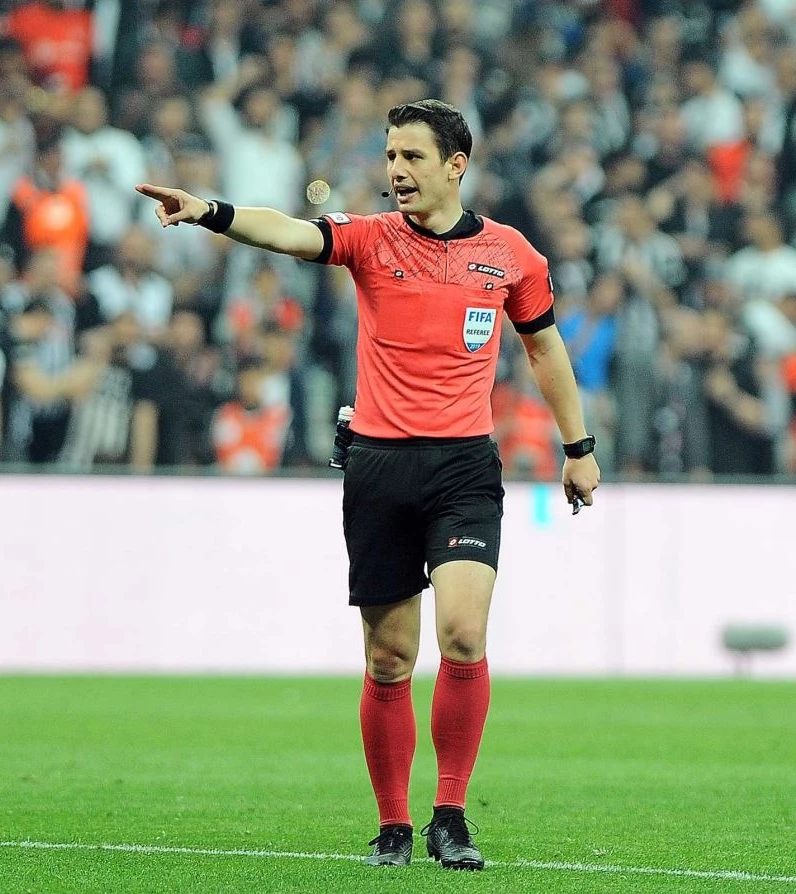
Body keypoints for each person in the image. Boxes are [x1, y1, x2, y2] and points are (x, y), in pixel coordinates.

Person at [136, 98, 600, 871]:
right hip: (379, 467)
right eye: (390, 156)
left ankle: (450, 817)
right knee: (390, 659)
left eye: (412, 156)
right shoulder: (371, 238)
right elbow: (289, 232)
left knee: (463, 635)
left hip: (463, 468)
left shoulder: (511, 254)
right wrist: (211, 211)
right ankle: (393, 825)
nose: (396, 170)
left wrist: (578, 447)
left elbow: (545, 350)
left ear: (455, 165)